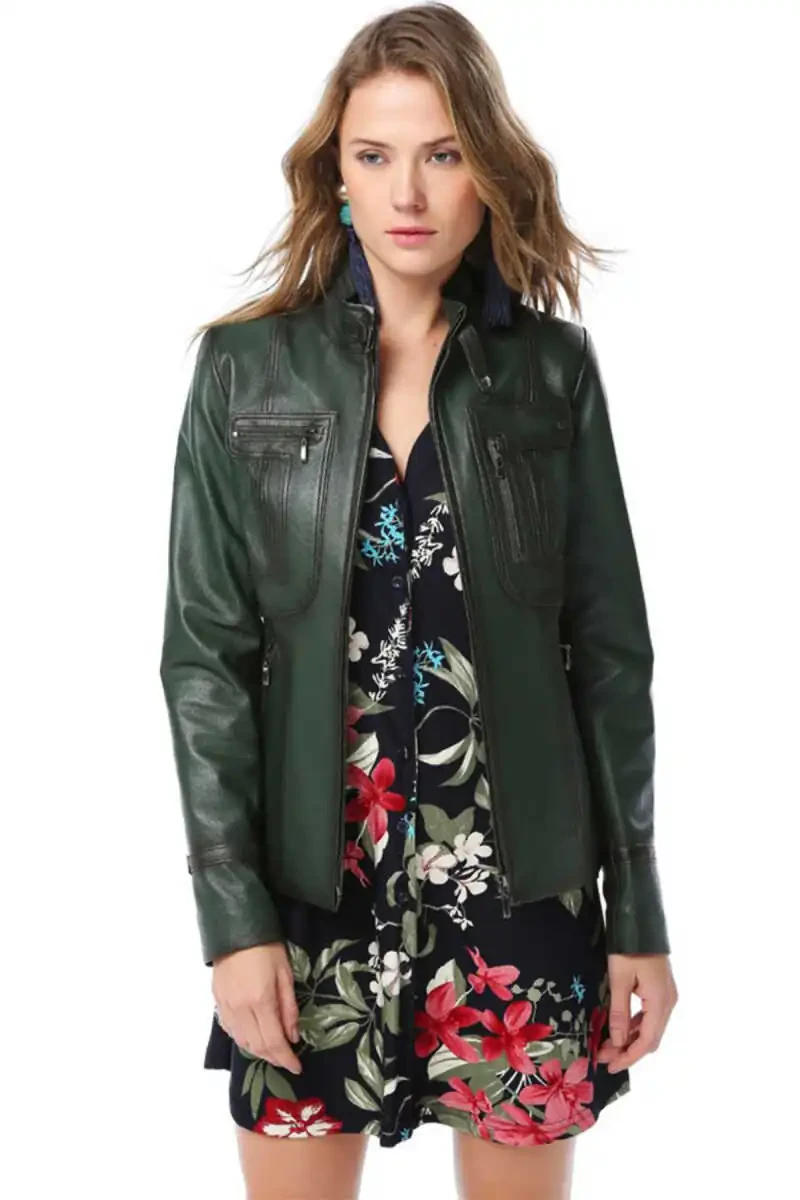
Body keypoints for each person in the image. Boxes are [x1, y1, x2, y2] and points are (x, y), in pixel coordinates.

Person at [159, 4, 678, 1197]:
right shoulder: (244, 371)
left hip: (520, 895)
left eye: (442, 154)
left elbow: (607, 654)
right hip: (304, 897)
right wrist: (232, 921)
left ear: (486, 172)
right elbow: (204, 662)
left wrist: (637, 914)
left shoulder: (550, 373)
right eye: (373, 154)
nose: (407, 191)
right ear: (334, 177)